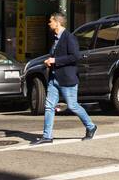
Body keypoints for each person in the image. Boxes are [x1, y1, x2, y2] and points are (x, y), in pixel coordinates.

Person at [29, 13, 96, 145]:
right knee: (48, 106)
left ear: (57, 23)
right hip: (54, 78)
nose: (49, 23)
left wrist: (55, 60)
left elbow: (75, 56)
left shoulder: (69, 38)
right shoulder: (55, 38)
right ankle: (47, 136)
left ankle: (91, 126)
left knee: (73, 106)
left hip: (67, 78)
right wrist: (50, 62)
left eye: (50, 21)